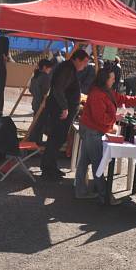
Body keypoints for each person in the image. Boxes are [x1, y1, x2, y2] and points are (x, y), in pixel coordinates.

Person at [74, 68, 136, 202]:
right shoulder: (97, 94)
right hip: (92, 130)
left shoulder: (106, 91)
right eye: (111, 78)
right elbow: (100, 117)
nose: (114, 80)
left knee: (85, 162)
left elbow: (122, 98)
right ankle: (105, 196)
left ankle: (81, 191)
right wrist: (115, 117)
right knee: (97, 163)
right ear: (105, 79)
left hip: (91, 129)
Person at [41, 50, 89, 180]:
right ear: (77, 60)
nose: (85, 66)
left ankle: (51, 167)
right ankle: (48, 169)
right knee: (56, 138)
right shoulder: (67, 69)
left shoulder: (69, 68)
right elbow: (58, 89)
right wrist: (65, 107)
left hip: (62, 109)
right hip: (60, 110)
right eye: (84, 62)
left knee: (57, 139)